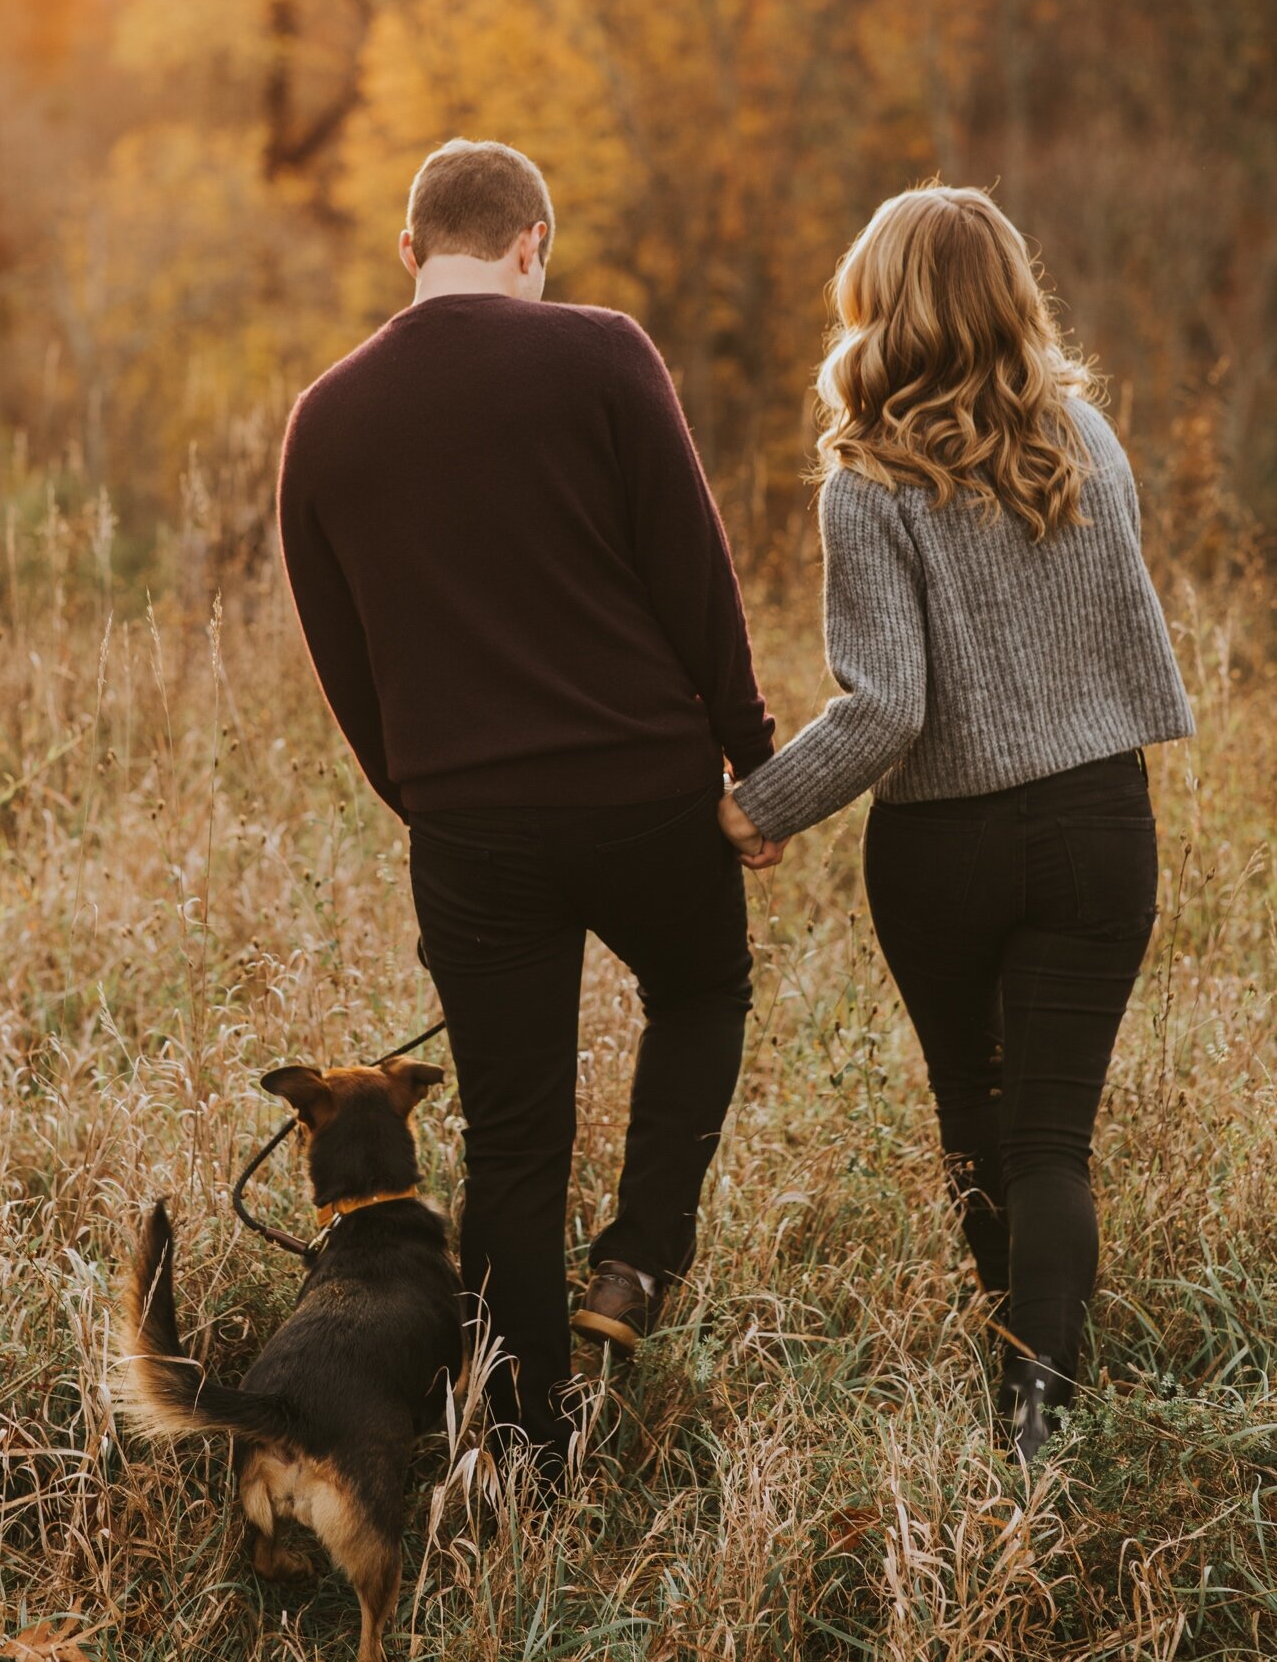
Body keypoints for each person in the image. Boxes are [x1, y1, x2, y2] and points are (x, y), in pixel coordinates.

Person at [278, 138, 773, 1468]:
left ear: (408, 251)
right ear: (532, 244)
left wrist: (432, 795)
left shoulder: (325, 416)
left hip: (470, 825)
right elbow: (695, 570)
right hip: (641, 788)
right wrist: (748, 751)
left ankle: (524, 1450)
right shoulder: (606, 352)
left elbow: (344, 660)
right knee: (702, 989)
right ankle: (636, 1262)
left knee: (510, 1141)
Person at [719, 184, 1193, 1466]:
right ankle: (1038, 1411)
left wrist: (754, 808)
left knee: (977, 1117)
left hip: (946, 848)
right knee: (1053, 1138)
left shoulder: (867, 479)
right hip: (1099, 821)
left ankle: (1014, 1368)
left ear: (879, 305)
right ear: (1009, 291)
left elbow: (887, 709)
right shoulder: (1087, 436)